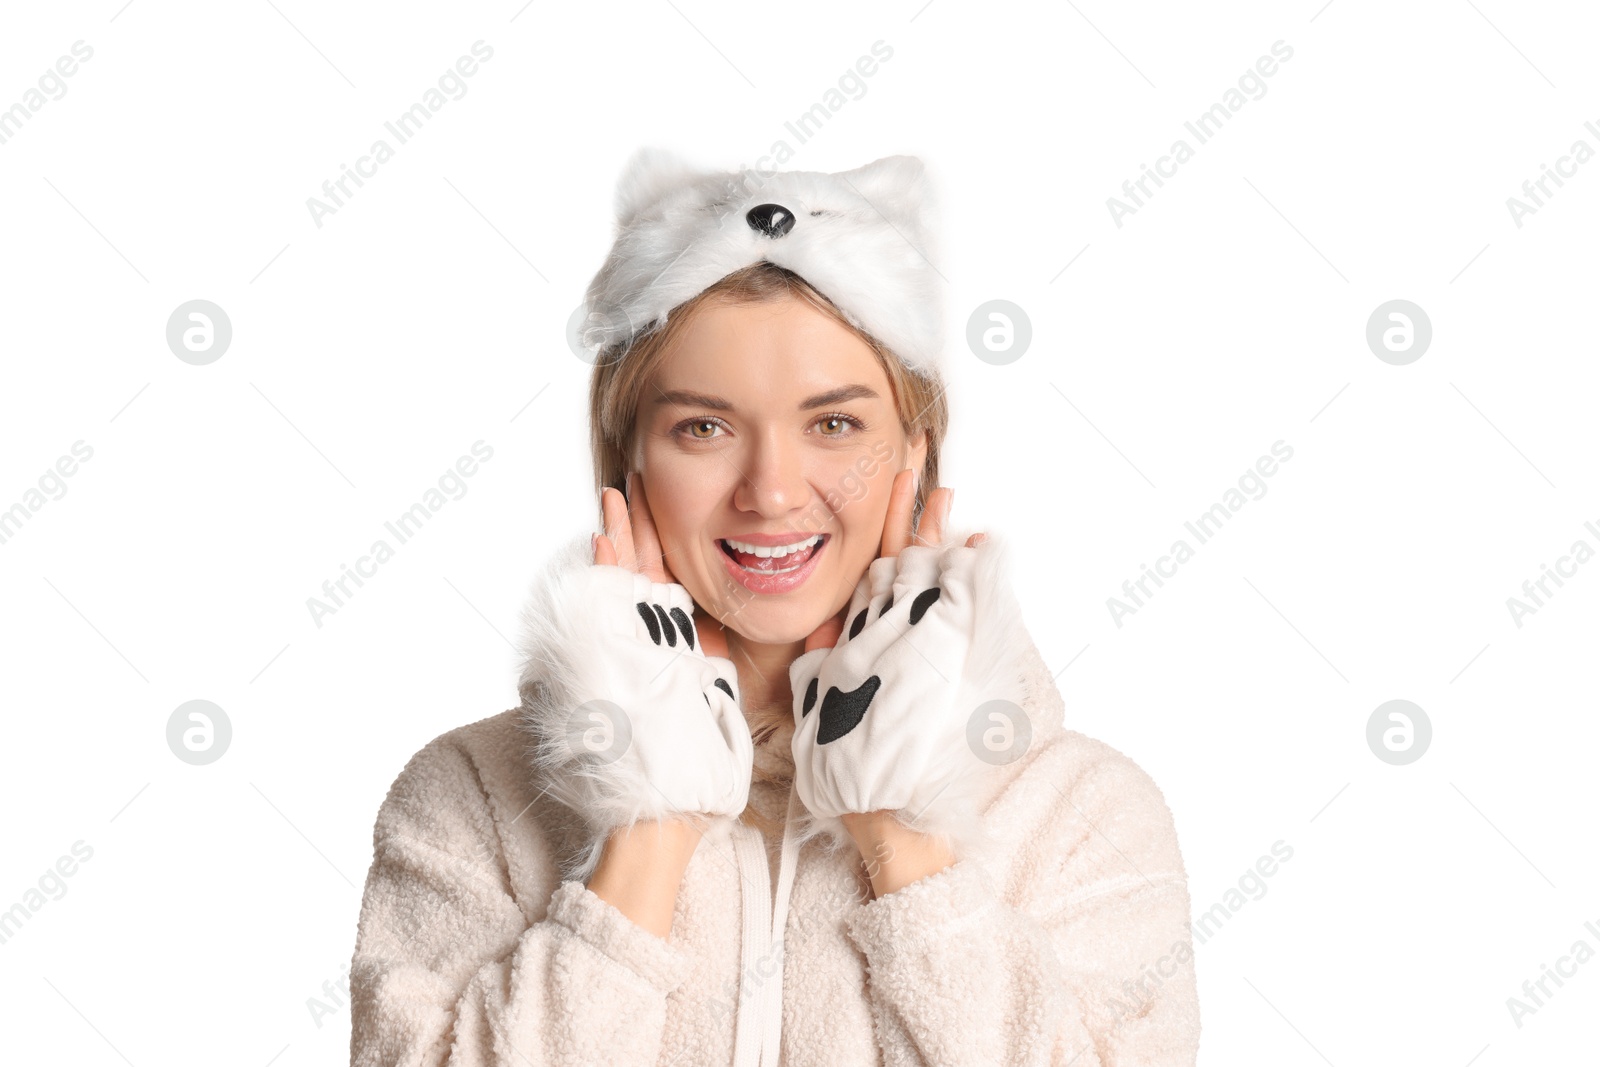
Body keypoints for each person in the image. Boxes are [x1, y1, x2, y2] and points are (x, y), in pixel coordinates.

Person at [347, 149, 1202, 1066]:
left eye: (835, 423)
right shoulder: (471, 796)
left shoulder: (1081, 810)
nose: (772, 491)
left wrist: (900, 826)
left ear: (916, 456)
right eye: (703, 427)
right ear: (625, 459)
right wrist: (647, 824)